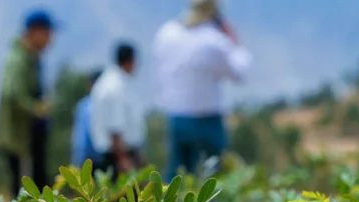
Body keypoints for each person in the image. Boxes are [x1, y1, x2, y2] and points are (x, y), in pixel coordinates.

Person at [153, 0, 252, 182]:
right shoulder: (212, 40)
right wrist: (235, 43)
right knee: (216, 175)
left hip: (177, 117)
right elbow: (239, 72)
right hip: (208, 119)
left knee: (177, 175)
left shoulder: (166, 34)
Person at [0, 9, 56, 200]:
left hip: (26, 137)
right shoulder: (18, 60)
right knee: (22, 191)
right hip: (19, 139)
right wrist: (36, 108)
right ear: (35, 32)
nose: (50, 39)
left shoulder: (30, 59)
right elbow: (11, 93)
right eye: (47, 33)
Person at [89, 43, 146, 180]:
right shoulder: (114, 86)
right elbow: (114, 127)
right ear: (130, 61)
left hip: (120, 153)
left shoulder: (113, 82)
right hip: (117, 156)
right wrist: (123, 159)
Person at [70, 69, 104, 169]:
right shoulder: (107, 105)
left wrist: (76, 163)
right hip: (105, 158)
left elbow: (80, 139)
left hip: (89, 160)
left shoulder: (85, 106)